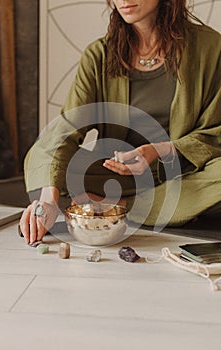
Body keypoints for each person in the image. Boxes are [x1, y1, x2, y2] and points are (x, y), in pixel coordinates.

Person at [19, 0, 221, 245]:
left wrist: (158, 151)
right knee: (45, 153)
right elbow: (67, 129)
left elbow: (215, 133)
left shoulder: (210, 48)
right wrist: (48, 201)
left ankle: (122, 206)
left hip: (188, 175)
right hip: (118, 177)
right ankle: (177, 209)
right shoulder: (99, 55)